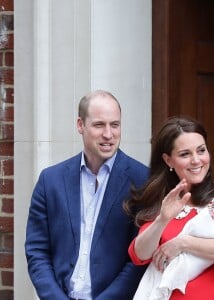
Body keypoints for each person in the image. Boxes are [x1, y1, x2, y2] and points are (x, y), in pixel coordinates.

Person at [25, 90, 149, 300]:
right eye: (99, 125)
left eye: (115, 125)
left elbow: (139, 258)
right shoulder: (50, 180)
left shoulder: (143, 180)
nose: (108, 134)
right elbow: (37, 251)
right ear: (80, 125)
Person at [124, 116, 214, 300]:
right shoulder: (166, 202)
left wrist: (183, 243)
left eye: (201, 150)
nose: (196, 160)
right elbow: (140, 254)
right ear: (168, 160)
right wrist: (162, 219)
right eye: (185, 154)